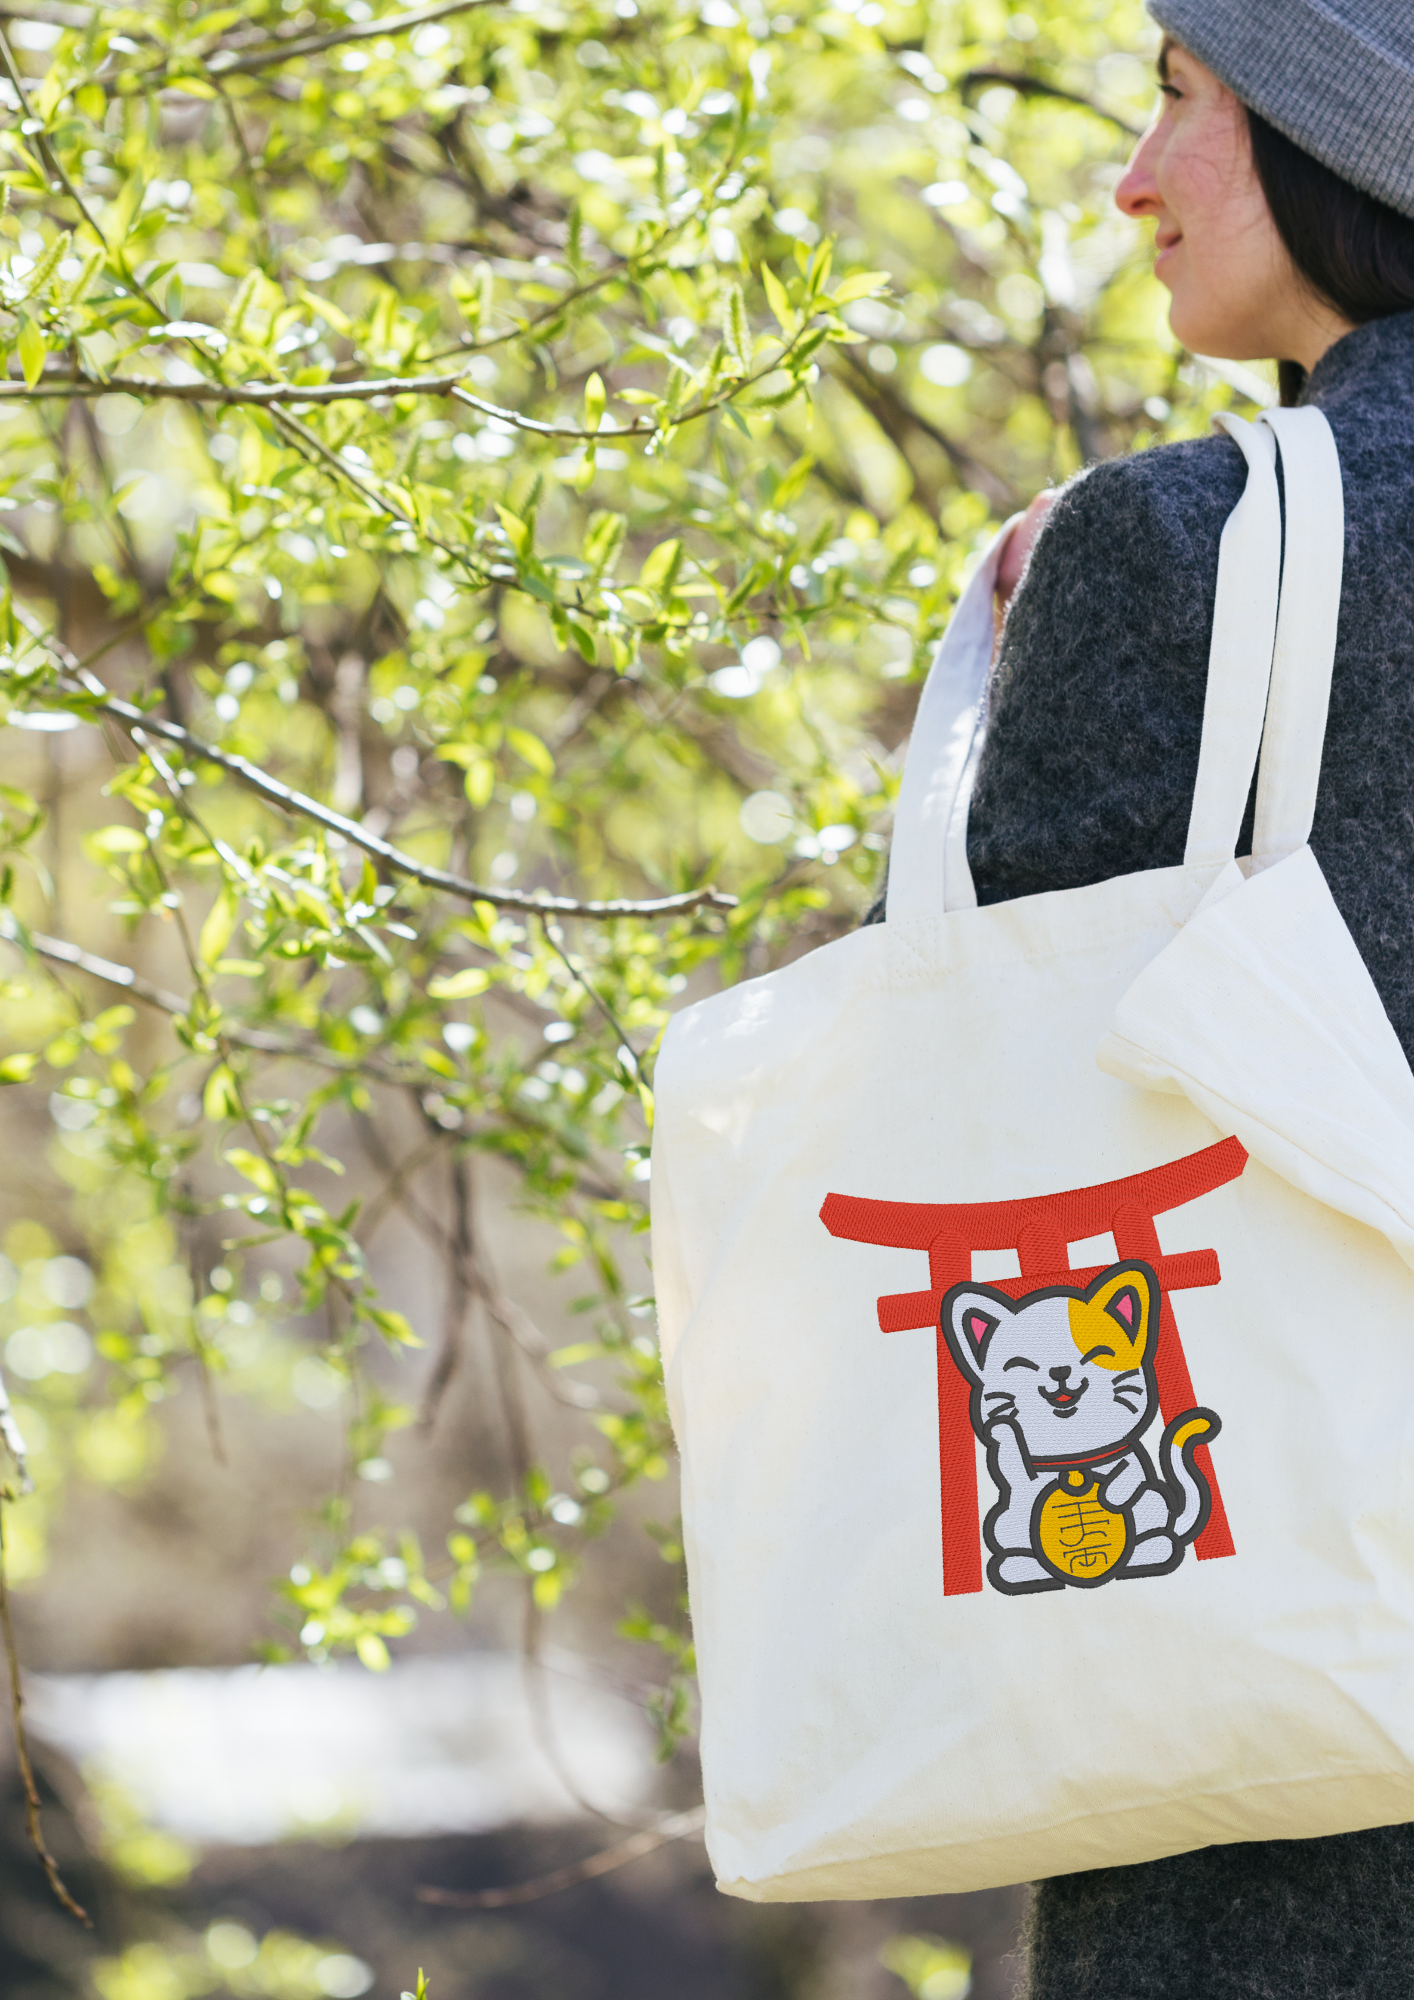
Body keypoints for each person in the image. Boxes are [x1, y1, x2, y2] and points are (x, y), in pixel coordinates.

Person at [869, 2, 1414, 1993]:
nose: (1130, 180)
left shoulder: (1175, 552)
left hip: (1289, 1689)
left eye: (1182, 97)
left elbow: (979, 1072)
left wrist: (1027, 661)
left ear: (1346, 138)